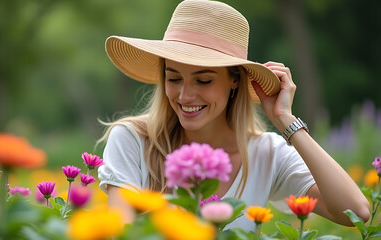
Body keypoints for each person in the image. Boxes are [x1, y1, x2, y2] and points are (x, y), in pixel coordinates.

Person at [97, 0, 369, 231]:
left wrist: (286, 120)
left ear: (235, 81)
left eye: (203, 81)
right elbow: (121, 232)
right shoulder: (133, 140)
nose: (185, 95)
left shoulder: (266, 154)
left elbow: (355, 212)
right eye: (174, 78)